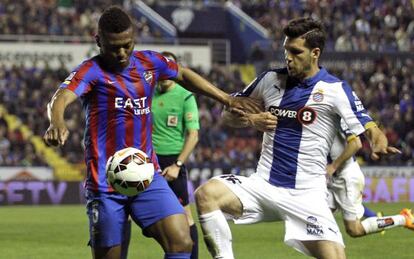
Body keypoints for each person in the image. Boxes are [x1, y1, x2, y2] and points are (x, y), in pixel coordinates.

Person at [43, 6, 259, 259]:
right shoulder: (91, 70)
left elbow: (183, 74)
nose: (122, 53)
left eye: (127, 45)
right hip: (105, 181)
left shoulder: (150, 62)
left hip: (147, 174)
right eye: (114, 47)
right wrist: (56, 121)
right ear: (98, 41)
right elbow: (60, 97)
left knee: (181, 241)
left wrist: (225, 98)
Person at [194, 17, 404, 259]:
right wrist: (252, 121)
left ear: (315, 53)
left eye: (295, 51)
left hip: (307, 195)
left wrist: (377, 137)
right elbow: (228, 114)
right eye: (286, 50)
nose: (288, 57)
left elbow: (367, 122)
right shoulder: (268, 79)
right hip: (263, 185)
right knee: (206, 194)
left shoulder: (335, 89)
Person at [151, 51, 200, 259]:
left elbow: (193, 135)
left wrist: (178, 165)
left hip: (172, 161)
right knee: (124, 212)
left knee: (185, 214)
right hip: (147, 160)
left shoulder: (185, 95)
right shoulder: (147, 92)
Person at [327, 124, 414, 237]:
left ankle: (403, 219)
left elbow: (356, 144)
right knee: (317, 220)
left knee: (354, 229)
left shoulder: (335, 115)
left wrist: (333, 166)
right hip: (331, 178)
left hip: (346, 178)